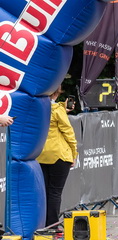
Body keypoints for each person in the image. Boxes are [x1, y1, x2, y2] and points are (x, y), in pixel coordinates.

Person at [36, 85, 78, 228]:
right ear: (56, 93)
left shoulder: (36, 108)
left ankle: (43, 224)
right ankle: (52, 225)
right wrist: (74, 154)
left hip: (40, 154)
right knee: (55, 192)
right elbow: (69, 134)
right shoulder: (57, 110)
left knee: (44, 192)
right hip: (59, 155)